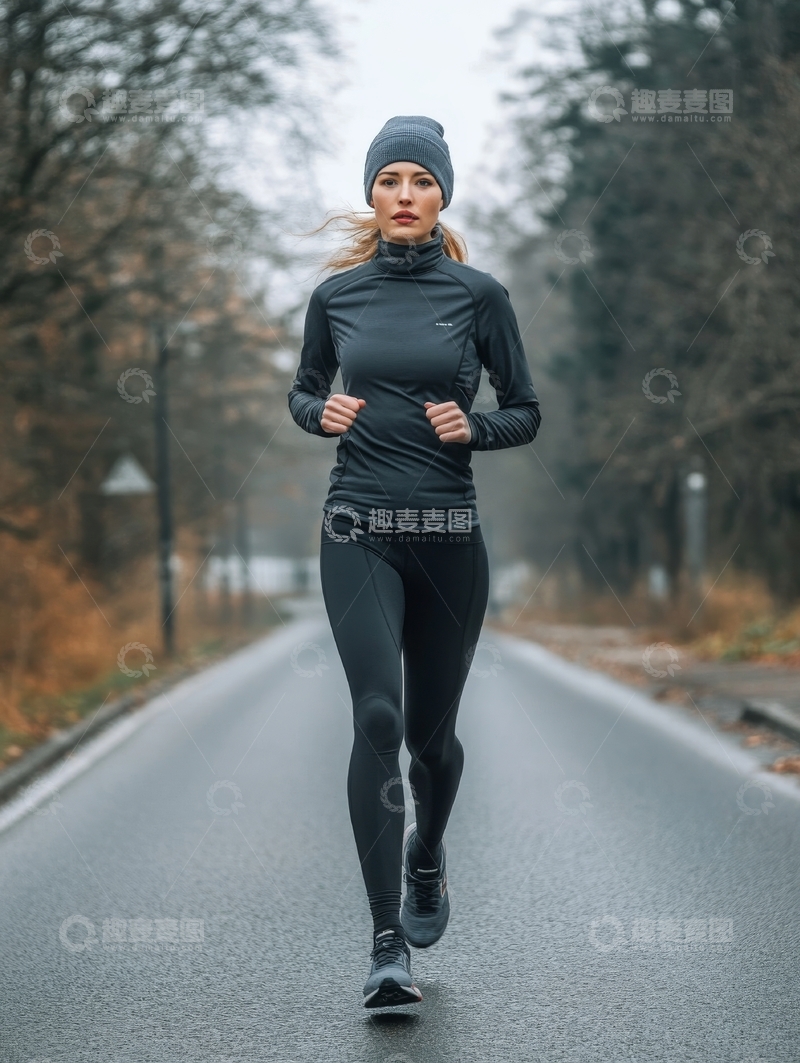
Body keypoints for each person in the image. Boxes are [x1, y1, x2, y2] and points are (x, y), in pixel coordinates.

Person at [288, 115, 541, 1008]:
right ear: (372, 193)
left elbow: (527, 409)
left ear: (441, 196)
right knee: (380, 718)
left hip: (447, 540)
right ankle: (386, 942)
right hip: (358, 530)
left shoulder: (480, 296)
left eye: (420, 181)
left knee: (433, 742)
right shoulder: (336, 298)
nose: (404, 194)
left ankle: (426, 850)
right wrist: (316, 413)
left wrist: (475, 426)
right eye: (389, 179)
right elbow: (305, 387)